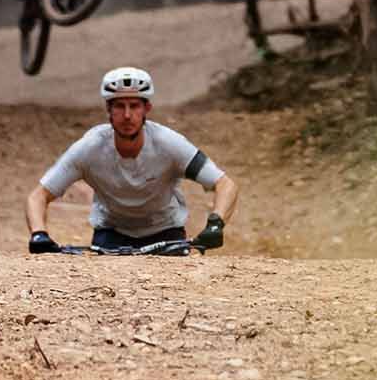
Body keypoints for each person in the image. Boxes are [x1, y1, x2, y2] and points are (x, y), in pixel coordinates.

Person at [26, 66, 239, 252]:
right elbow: (38, 196)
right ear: (108, 109)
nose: (127, 115)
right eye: (119, 106)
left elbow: (224, 184)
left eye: (134, 106)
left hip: (166, 236)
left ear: (147, 109)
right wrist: (39, 234)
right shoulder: (89, 148)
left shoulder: (169, 144)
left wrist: (215, 224)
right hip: (111, 237)